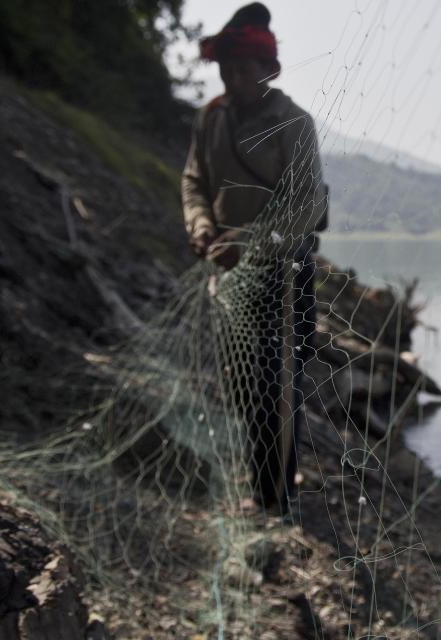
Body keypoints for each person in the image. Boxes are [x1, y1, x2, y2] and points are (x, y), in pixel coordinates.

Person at [181, 2, 327, 512]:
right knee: (243, 383)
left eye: (244, 68)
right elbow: (195, 181)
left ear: (268, 69)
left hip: (284, 274)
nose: (234, 77)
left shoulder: (294, 123)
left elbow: (307, 205)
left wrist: (251, 241)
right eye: (226, 68)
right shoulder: (211, 119)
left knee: (279, 383)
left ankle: (275, 495)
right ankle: (262, 482)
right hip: (229, 272)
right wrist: (201, 227)